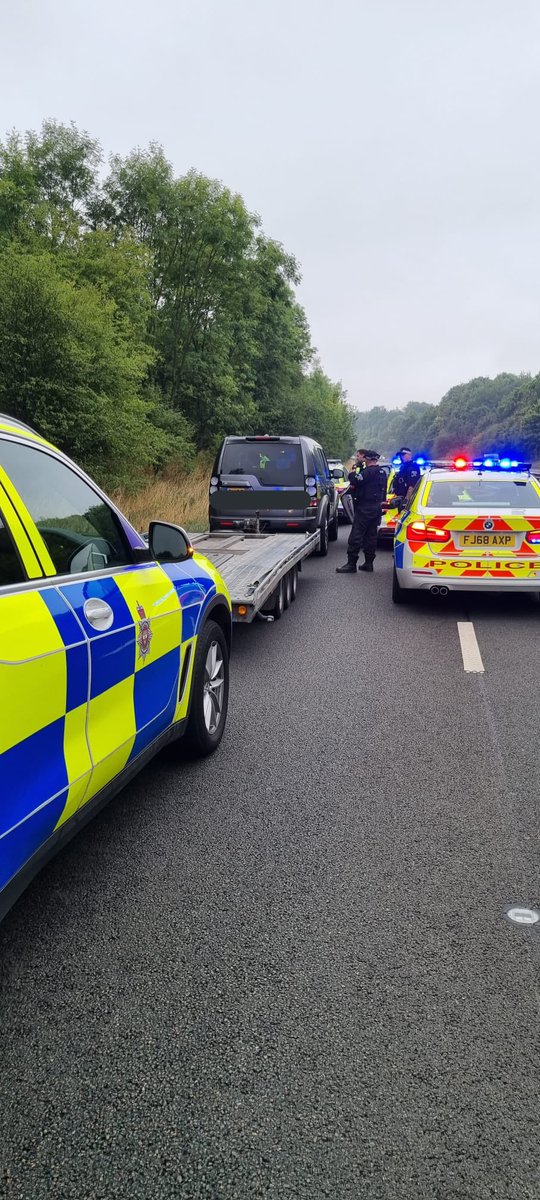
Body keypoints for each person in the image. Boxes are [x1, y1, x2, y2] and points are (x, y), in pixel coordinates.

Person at [336, 449, 387, 573]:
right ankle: (368, 563)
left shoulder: (368, 473)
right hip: (376, 507)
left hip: (365, 507)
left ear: (367, 459)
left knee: (356, 535)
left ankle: (351, 564)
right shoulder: (382, 473)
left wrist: (353, 472)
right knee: (371, 536)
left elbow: (355, 480)